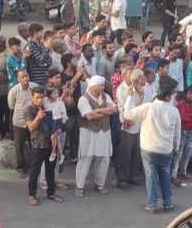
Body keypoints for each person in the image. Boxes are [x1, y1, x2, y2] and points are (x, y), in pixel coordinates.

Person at [123, 76, 181, 213]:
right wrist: (176, 148)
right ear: (168, 96)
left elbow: (128, 114)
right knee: (165, 176)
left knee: (151, 177)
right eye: (173, 94)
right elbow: (177, 134)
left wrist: (130, 97)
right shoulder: (174, 111)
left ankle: (152, 204)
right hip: (166, 149)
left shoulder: (148, 107)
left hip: (149, 148)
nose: (174, 96)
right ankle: (168, 203)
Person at [74, 75, 116, 197]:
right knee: (86, 158)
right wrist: (105, 112)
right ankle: (79, 186)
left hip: (104, 131)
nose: (103, 87)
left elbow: (114, 109)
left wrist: (98, 111)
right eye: (101, 85)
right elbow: (89, 117)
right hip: (89, 132)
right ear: (94, 86)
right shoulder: (84, 99)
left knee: (104, 158)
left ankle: (99, 183)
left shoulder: (106, 96)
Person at [25, 85, 61, 206]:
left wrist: (58, 129)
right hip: (38, 145)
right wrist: (38, 118)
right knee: (34, 172)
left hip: (51, 144)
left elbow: (54, 121)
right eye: (37, 98)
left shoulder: (46, 106)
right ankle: (32, 195)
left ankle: (51, 193)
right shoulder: (29, 110)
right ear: (32, 97)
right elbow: (31, 127)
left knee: (50, 171)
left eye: (41, 97)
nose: (40, 100)